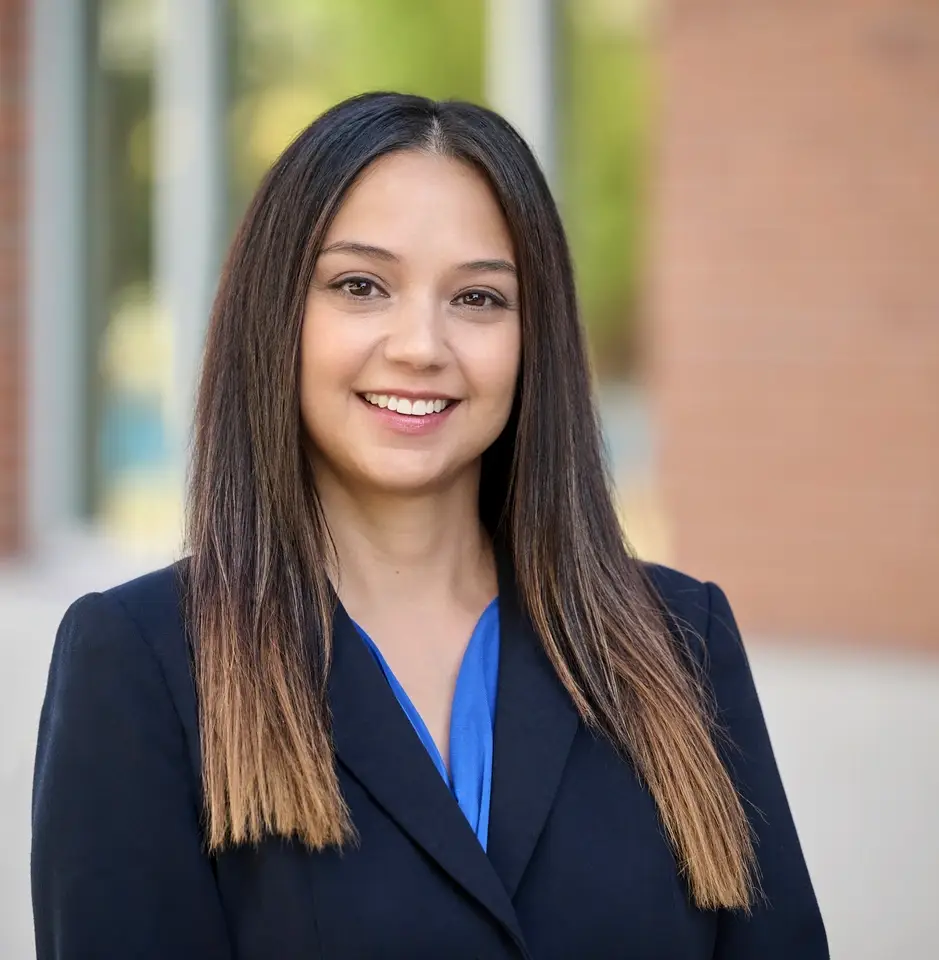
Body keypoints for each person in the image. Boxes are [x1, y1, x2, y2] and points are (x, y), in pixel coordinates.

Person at [31, 92, 828, 959]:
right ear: (277, 315)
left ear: (536, 338)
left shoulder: (681, 641)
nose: (421, 345)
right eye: (361, 286)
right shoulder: (144, 663)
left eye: (480, 298)